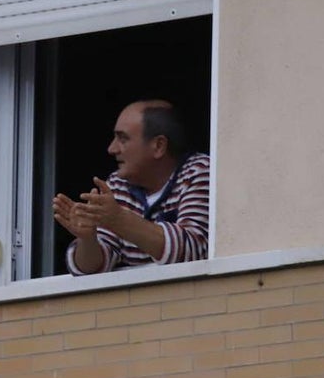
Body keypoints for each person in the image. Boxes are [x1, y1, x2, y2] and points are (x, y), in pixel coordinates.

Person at [52, 100, 210, 275]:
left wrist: (119, 220)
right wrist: (88, 238)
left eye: (123, 138)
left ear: (158, 146)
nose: (111, 149)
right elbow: (90, 270)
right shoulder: (117, 185)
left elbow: (194, 251)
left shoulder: (199, 171)